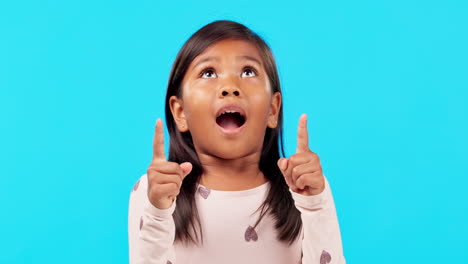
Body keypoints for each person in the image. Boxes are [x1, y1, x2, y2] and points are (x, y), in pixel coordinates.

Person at [128, 20, 345, 264]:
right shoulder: (154, 192)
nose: (230, 87)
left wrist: (315, 205)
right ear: (180, 112)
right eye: (208, 73)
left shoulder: (304, 189)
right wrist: (158, 213)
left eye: (248, 72)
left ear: (273, 109)